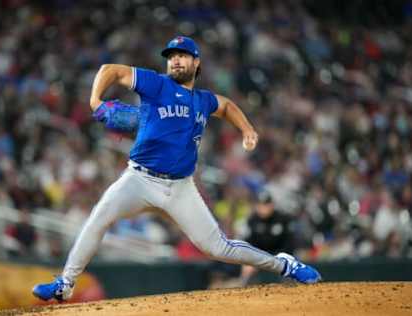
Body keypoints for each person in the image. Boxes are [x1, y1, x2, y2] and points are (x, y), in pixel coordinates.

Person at [32, 36, 321, 302]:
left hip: (181, 188)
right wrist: (95, 100)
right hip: (139, 179)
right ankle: (65, 283)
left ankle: (284, 264)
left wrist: (247, 129)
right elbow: (111, 70)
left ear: (196, 63)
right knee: (99, 217)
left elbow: (227, 106)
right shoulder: (157, 84)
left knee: (218, 249)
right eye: (172, 56)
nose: (176, 60)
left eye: (183, 55)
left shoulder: (202, 100)